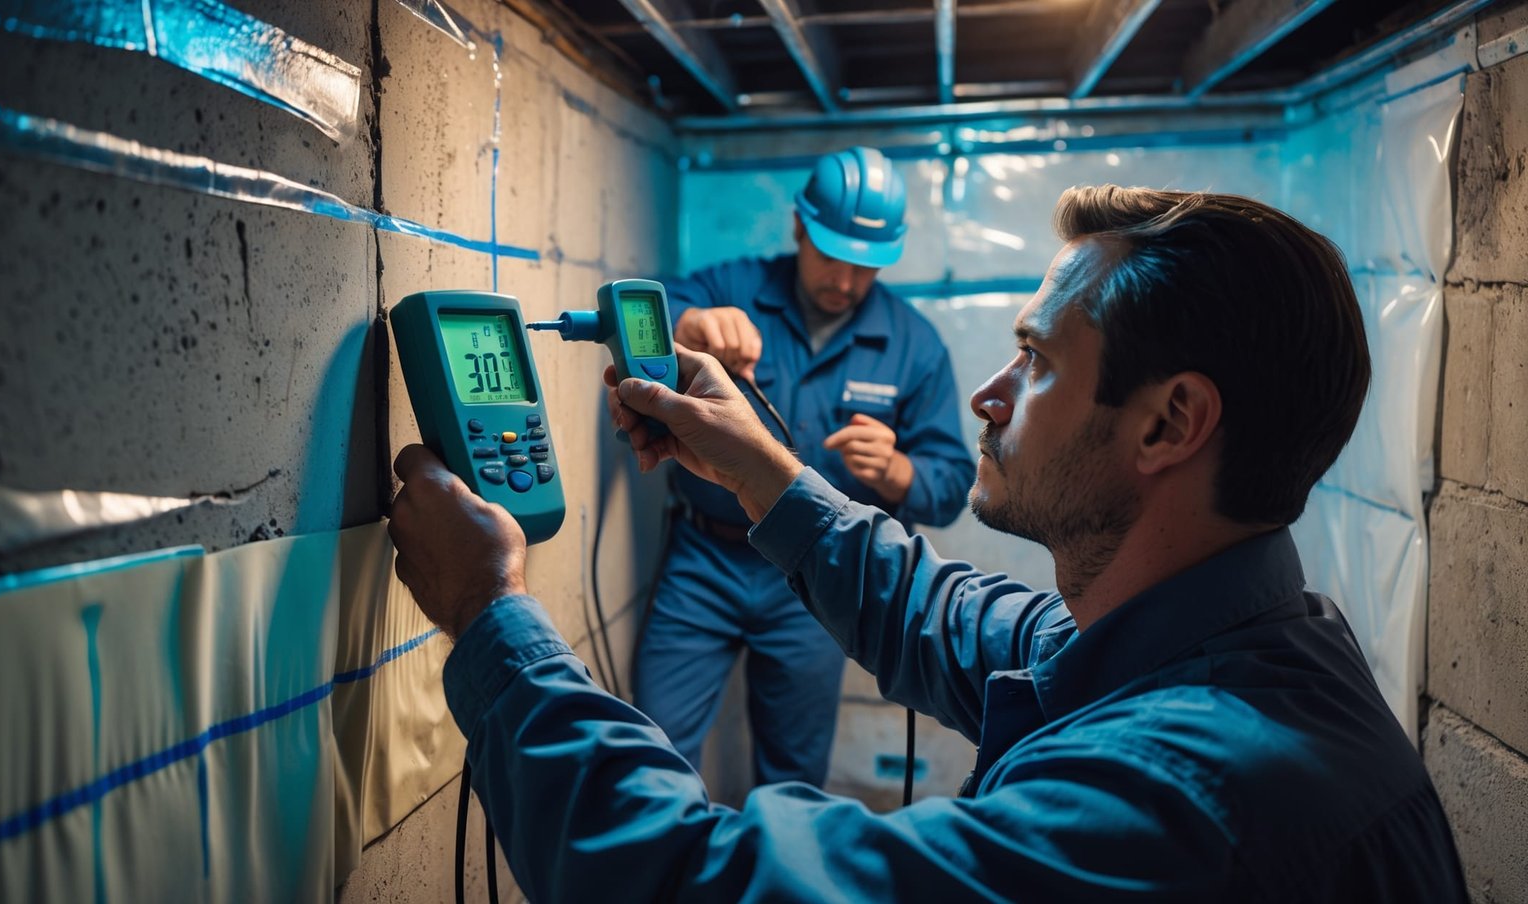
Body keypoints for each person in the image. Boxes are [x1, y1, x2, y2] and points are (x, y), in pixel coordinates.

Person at [387, 186, 1467, 901]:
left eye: (1035, 361)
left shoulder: (1179, 800)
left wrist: (489, 612)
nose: (990, 394)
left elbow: (705, 881)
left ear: (1169, 423)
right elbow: (938, 611)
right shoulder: (1221, 645)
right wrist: (756, 463)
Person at [634, 146, 974, 786]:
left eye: (865, 267)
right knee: (653, 753)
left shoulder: (914, 345)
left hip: (815, 575)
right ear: (798, 227)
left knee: (792, 772)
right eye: (830, 256)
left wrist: (899, 471)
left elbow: (953, 482)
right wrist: (692, 322)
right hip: (703, 561)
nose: (845, 281)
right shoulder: (735, 286)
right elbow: (651, 312)